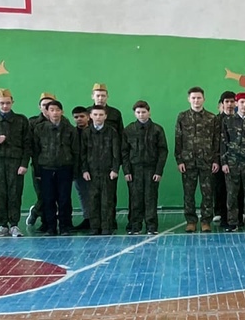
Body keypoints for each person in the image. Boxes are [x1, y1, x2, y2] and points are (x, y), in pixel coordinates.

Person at [0, 88, 32, 237]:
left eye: (8, 103)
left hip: (15, 162)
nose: (5, 106)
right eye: (2, 103)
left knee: (15, 193)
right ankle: (2, 225)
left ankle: (14, 225)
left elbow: (27, 144)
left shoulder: (21, 120)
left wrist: (24, 164)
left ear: (12, 102)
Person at [29, 99, 78, 236]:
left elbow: (76, 151)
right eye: (52, 110)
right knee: (48, 199)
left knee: (64, 199)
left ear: (62, 112)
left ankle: (64, 226)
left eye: (57, 110)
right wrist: (37, 171)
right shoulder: (39, 129)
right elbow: (35, 151)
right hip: (46, 168)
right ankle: (50, 227)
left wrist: (75, 170)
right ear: (47, 112)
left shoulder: (70, 129)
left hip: (65, 168)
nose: (55, 113)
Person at [175, 87, 221, 233]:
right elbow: (178, 139)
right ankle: (191, 221)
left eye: (199, 98)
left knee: (207, 193)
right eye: (193, 98)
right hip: (188, 162)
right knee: (188, 194)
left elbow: (216, 140)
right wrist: (179, 160)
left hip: (207, 162)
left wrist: (216, 160)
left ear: (204, 99)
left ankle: (206, 221)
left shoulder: (212, 118)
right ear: (189, 99)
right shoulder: (182, 117)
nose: (196, 100)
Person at [122, 101, 168, 235]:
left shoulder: (157, 129)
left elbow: (163, 151)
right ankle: (135, 226)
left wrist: (159, 171)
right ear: (134, 113)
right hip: (134, 170)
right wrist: (126, 171)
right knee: (135, 198)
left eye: (143, 112)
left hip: (151, 169)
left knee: (150, 198)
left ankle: (151, 226)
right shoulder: (129, 130)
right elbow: (124, 152)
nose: (141, 115)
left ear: (149, 112)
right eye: (138, 112)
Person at [221, 92, 245, 232]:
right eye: (241, 102)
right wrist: (224, 162)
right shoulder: (227, 121)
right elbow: (223, 142)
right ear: (237, 103)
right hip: (232, 163)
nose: (244, 105)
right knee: (232, 194)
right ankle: (233, 222)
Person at [81, 106, 122, 235]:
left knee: (107, 200)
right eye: (95, 114)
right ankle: (94, 227)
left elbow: (116, 152)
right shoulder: (86, 133)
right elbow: (82, 153)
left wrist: (115, 169)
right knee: (93, 200)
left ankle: (107, 227)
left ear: (105, 116)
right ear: (90, 116)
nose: (98, 117)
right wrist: (84, 170)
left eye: (101, 114)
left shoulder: (112, 132)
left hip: (108, 172)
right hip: (91, 172)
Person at [25, 91, 56, 231]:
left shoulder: (61, 121)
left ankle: (48, 220)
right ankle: (43, 220)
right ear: (40, 107)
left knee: (55, 195)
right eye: (44, 105)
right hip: (39, 164)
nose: (47, 108)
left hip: (58, 164)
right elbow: (30, 145)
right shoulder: (32, 123)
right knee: (43, 195)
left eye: (50, 105)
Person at [212, 90, 236, 223]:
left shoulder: (239, 120)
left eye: (232, 101)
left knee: (236, 188)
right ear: (222, 104)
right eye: (227, 102)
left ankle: (238, 213)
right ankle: (219, 211)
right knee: (219, 186)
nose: (230, 104)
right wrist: (215, 159)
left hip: (235, 160)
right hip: (219, 159)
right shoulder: (215, 120)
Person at [70, 106, 91, 231]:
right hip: (77, 169)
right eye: (76, 117)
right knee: (83, 194)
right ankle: (87, 218)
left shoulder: (94, 131)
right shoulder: (71, 132)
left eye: (82, 116)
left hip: (94, 168)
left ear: (88, 117)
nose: (79, 119)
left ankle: (102, 220)